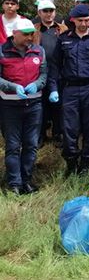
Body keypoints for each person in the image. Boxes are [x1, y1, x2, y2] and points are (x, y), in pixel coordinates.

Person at [48, 4, 89, 175]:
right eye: (80, 20)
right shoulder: (64, 39)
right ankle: (71, 161)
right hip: (70, 89)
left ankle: (86, 162)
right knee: (69, 128)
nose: (83, 24)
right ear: (73, 20)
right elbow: (55, 66)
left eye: (86, 20)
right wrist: (53, 88)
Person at [0, 19, 47, 195]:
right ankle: (14, 183)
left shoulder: (38, 50)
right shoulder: (2, 51)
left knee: (31, 144)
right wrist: (12, 87)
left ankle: (26, 180)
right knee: (12, 145)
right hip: (9, 105)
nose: (29, 37)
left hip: (34, 105)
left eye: (31, 34)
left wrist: (37, 84)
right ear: (15, 34)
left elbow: (44, 75)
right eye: (26, 34)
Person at [33, 0, 67, 145]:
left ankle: (58, 134)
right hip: (38, 72)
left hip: (59, 72)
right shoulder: (34, 29)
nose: (48, 14)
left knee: (58, 106)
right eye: (45, 11)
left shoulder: (63, 28)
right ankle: (40, 135)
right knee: (40, 106)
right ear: (39, 13)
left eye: (51, 11)